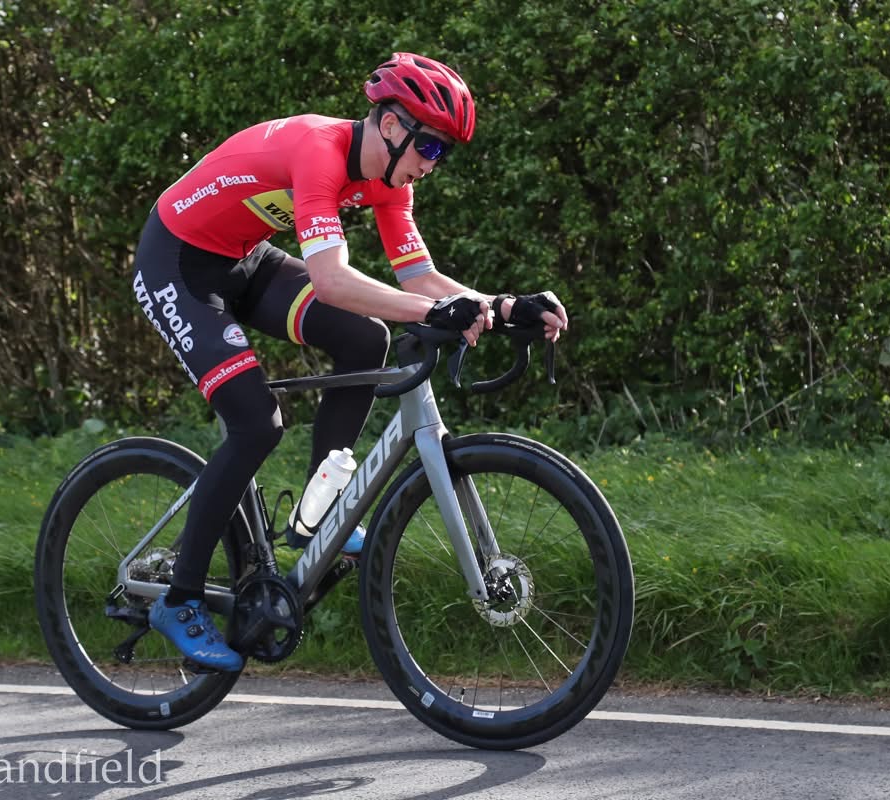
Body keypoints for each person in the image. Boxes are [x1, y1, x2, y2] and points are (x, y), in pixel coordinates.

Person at [133, 52, 569, 671]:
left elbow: (419, 278)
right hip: (176, 264)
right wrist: (430, 313)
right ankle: (178, 601)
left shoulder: (392, 182)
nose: (430, 164)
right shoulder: (321, 150)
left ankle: (318, 516)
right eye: (429, 147)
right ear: (390, 126)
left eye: (443, 152)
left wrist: (500, 306)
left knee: (366, 339)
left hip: (243, 257)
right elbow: (333, 280)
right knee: (256, 421)